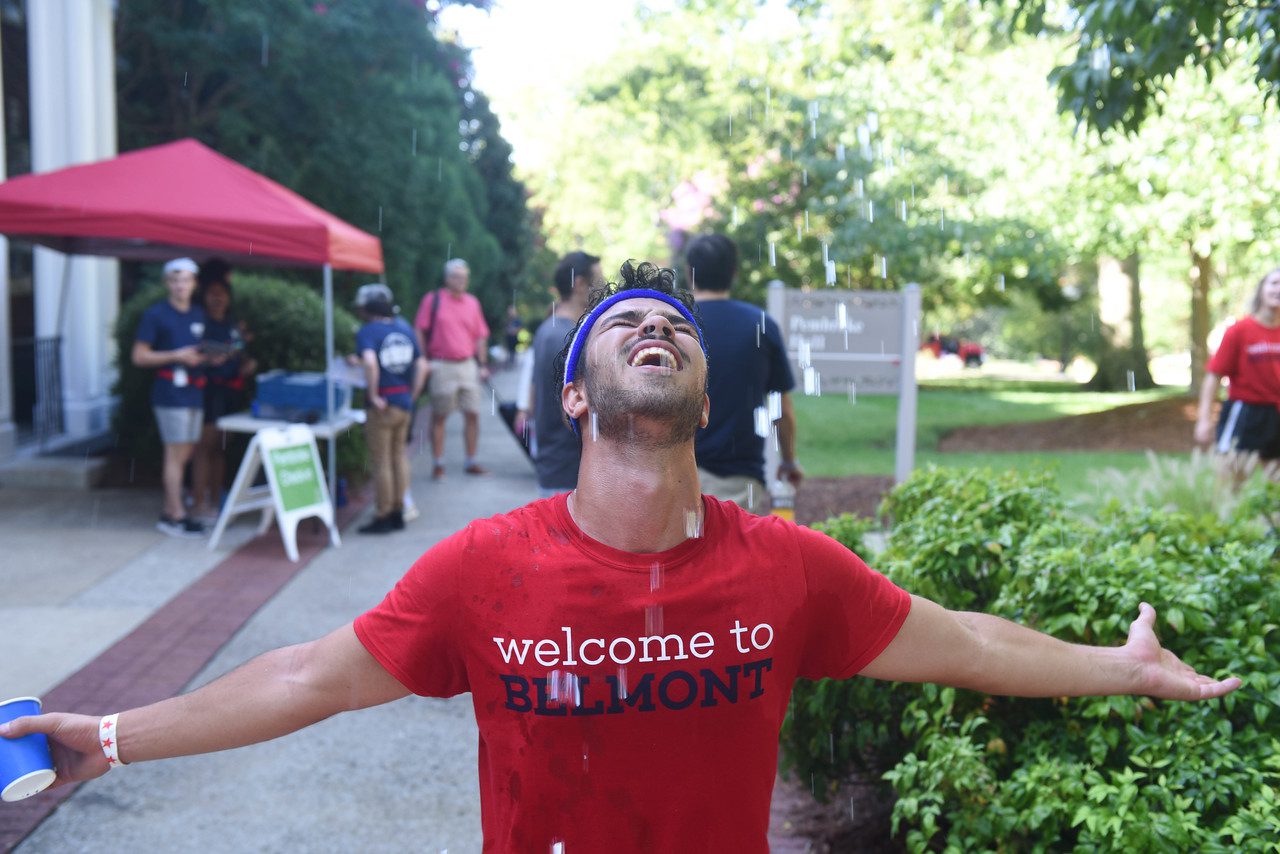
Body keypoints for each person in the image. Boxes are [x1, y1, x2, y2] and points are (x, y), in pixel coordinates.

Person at [6, 261, 1240, 853]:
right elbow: (305, 677)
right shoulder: (484, 569)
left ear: (702, 393)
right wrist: (108, 735)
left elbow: (968, 641)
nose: (654, 327)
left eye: (674, 328)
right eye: (624, 323)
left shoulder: (789, 569)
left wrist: (1119, 667)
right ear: (572, 390)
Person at [685, 233, 802, 513]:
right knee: (733, 556)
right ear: (733, 272)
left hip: (672, 471)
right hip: (739, 479)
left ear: (689, 274)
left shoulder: (673, 321)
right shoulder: (760, 325)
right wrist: (788, 461)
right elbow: (780, 409)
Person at [131, 258, 209, 538]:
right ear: (167, 283)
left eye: (186, 280)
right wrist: (176, 355)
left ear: (193, 283)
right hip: (170, 392)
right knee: (175, 454)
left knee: (185, 453)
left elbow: (197, 351)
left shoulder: (198, 314)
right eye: (175, 281)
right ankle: (176, 515)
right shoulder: (156, 315)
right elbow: (139, 356)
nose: (180, 286)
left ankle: (170, 509)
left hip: (194, 390)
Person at [515, 250, 600, 497]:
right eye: (600, 282)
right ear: (580, 284)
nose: (605, 290)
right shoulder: (568, 338)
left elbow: (533, 393)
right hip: (568, 473)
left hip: (553, 467)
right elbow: (570, 414)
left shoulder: (547, 329)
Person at [1194, 267, 1280, 485]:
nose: (1278, 289)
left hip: (1277, 413)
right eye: (1274, 283)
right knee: (1230, 484)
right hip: (1245, 413)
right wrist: (1204, 420)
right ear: (1262, 290)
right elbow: (1213, 376)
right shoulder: (1239, 331)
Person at [354, 283, 428, 534]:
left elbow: (371, 364)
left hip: (383, 405)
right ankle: (399, 511)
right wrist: (413, 394)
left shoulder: (367, 332)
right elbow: (422, 365)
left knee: (381, 461)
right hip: (404, 402)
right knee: (399, 457)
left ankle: (383, 514)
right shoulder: (404, 329)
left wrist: (373, 394)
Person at [190, 260, 257, 523]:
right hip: (208, 393)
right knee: (203, 448)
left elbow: (237, 353)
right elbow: (203, 355)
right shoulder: (199, 322)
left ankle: (216, 500)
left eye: (222, 294)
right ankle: (198, 502)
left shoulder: (232, 324)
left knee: (220, 448)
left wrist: (245, 363)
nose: (217, 298)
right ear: (204, 296)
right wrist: (218, 356)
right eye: (212, 293)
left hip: (231, 393)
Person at [414, 258, 491, 480]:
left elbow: (480, 335)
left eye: (464, 277)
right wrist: (422, 358)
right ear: (447, 278)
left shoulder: (472, 302)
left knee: (473, 414)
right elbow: (419, 329)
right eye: (457, 277)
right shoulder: (433, 300)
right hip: (441, 364)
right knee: (440, 415)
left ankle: (471, 460)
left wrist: (482, 364)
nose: (461, 281)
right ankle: (438, 463)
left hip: (467, 364)